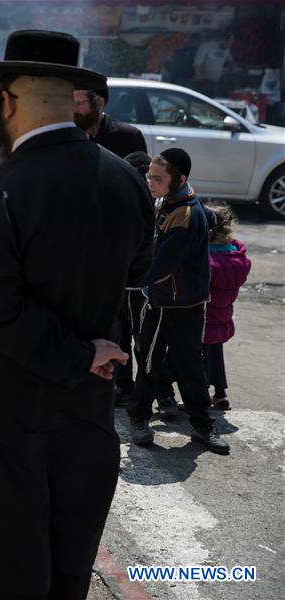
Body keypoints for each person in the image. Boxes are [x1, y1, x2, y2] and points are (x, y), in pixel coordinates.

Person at [0, 30, 154, 600]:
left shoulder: (0, 191)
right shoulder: (127, 180)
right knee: (67, 559)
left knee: (14, 568)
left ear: (8, 102)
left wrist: (78, 353)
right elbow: (138, 271)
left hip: (7, 416)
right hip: (85, 412)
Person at [127, 148, 229, 455]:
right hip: (177, 301)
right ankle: (141, 418)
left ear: (180, 179)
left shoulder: (184, 215)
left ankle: (200, 426)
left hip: (172, 303)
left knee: (178, 364)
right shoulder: (176, 201)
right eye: (149, 176)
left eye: (158, 178)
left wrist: (124, 280)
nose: (150, 182)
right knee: (152, 360)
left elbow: (160, 268)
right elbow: (209, 217)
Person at [117, 152, 178, 417]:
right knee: (121, 339)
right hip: (122, 286)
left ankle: (163, 394)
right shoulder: (120, 203)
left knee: (147, 344)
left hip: (147, 288)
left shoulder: (164, 207)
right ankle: (124, 386)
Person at [203, 202, 251, 410]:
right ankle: (220, 395)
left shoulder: (206, 258)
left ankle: (200, 394)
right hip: (222, 315)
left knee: (199, 355)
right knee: (215, 352)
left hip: (203, 316)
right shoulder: (237, 257)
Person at [73, 84, 146, 159]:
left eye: (78, 104)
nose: (73, 109)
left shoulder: (128, 138)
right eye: (70, 103)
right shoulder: (67, 136)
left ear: (99, 104)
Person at [193, 32, 234, 98]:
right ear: (222, 40)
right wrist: (197, 74)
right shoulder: (206, 46)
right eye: (228, 43)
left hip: (217, 80)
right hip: (205, 80)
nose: (229, 46)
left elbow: (230, 60)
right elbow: (197, 63)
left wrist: (232, 69)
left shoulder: (227, 49)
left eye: (230, 44)